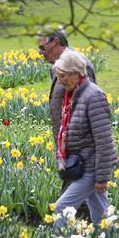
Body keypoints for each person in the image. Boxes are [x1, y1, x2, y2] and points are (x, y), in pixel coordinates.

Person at [52, 50, 117, 228]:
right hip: (83, 166)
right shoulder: (72, 96)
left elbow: (104, 141)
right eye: (58, 76)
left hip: (91, 168)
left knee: (61, 209)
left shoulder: (93, 96)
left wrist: (102, 177)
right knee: (101, 215)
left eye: (63, 76)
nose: (60, 80)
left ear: (76, 73)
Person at [39, 27, 96, 219]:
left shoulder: (78, 65)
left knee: (71, 199)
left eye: (42, 46)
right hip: (68, 144)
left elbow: (88, 103)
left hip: (80, 146)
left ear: (55, 42)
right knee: (88, 198)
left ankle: (67, 235)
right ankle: (91, 232)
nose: (40, 52)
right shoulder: (59, 67)